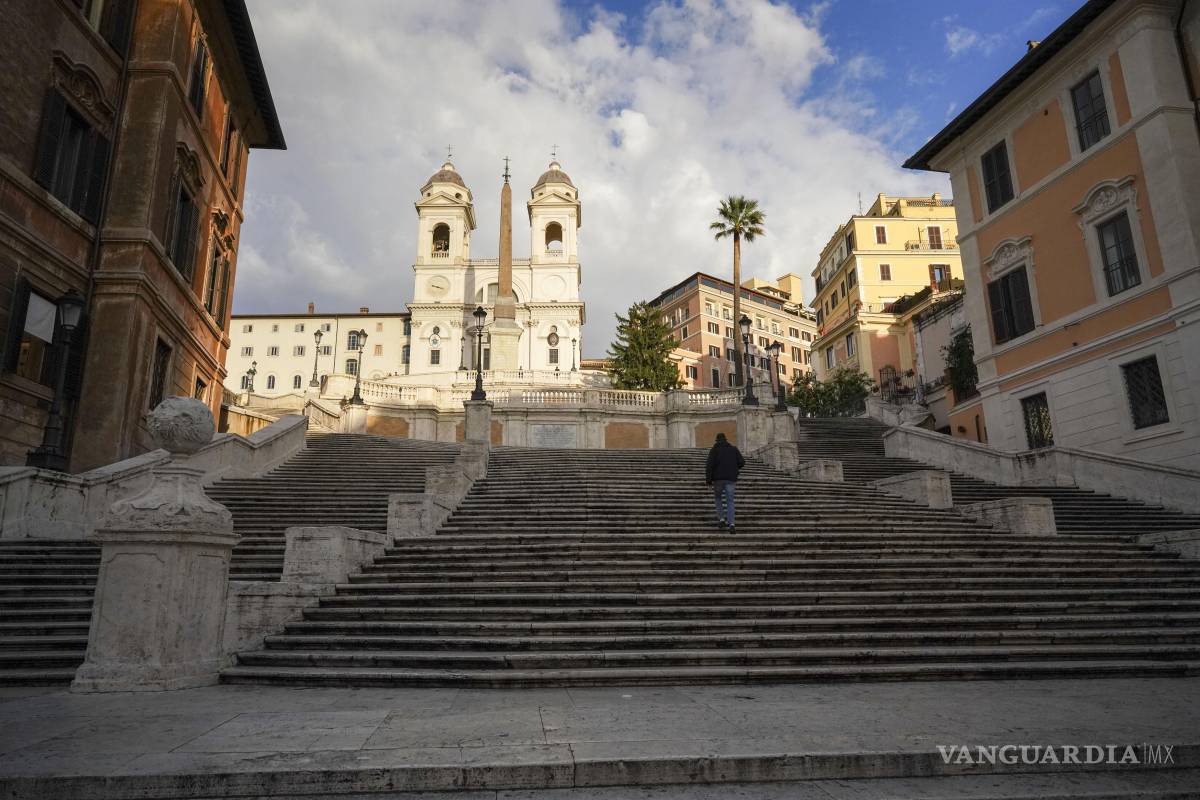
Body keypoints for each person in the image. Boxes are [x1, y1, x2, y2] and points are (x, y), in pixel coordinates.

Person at [705, 432, 745, 533]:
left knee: (718, 498)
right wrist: (735, 469)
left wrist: (708, 480)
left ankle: (722, 519)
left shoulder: (714, 450)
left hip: (718, 479)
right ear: (726, 439)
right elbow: (742, 462)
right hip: (731, 479)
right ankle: (731, 523)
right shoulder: (733, 449)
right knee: (730, 501)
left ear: (717, 440)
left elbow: (709, 465)